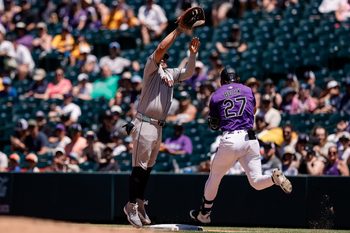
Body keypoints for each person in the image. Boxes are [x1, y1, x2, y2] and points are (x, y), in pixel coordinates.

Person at [189, 68, 292, 224]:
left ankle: (204, 213)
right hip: (250, 138)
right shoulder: (247, 90)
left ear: (222, 80)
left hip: (231, 138)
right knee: (256, 182)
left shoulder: (216, 94)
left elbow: (214, 122)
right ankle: (273, 178)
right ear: (237, 78)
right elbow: (253, 110)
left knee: (214, 176)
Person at [123, 27, 200, 228]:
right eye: (162, 56)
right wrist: (178, 31)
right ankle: (130, 205)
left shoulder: (170, 73)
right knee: (138, 169)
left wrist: (192, 55)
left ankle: (139, 203)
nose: (164, 58)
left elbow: (189, 72)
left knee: (147, 169)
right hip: (145, 122)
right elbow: (160, 48)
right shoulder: (151, 69)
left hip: (158, 127)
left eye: (166, 57)